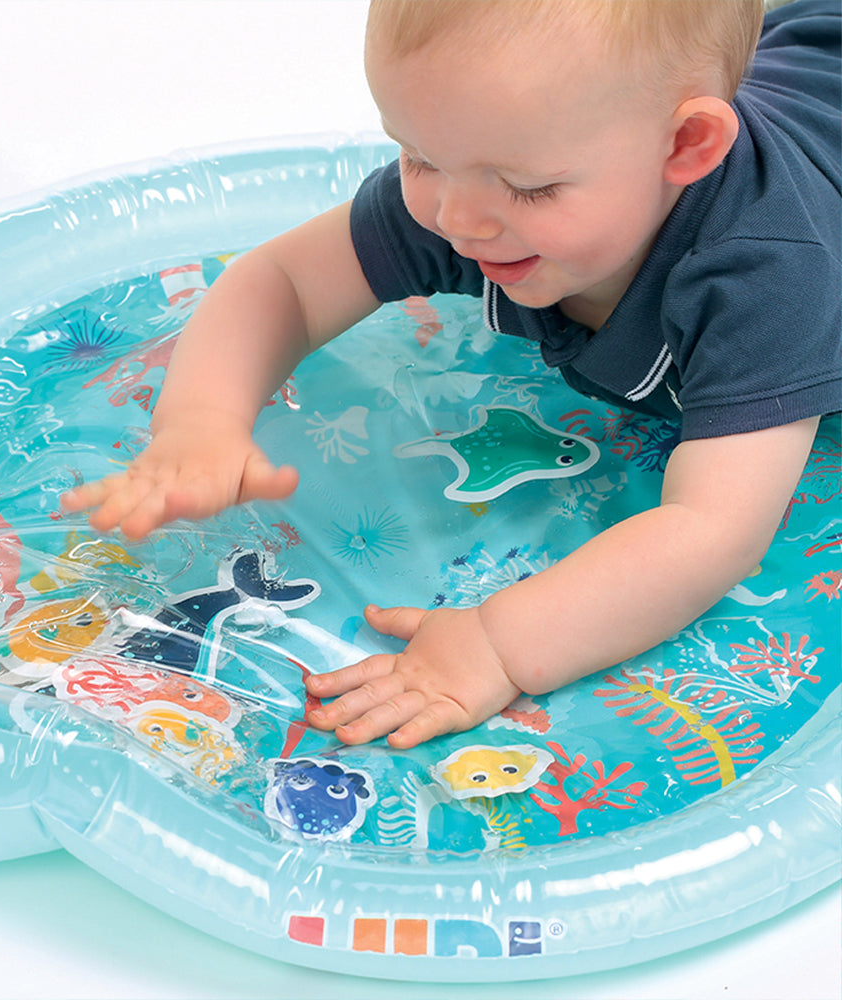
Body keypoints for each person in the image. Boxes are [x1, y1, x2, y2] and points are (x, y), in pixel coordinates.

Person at [62, 0, 840, 750]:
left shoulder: (766, 275)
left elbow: (711, 530)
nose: (457, 220)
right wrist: (201, 417)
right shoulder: (478, 182)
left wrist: (499, 644)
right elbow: (286, 282)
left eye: (529, 185)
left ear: (686, 146)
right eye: (419, 156)